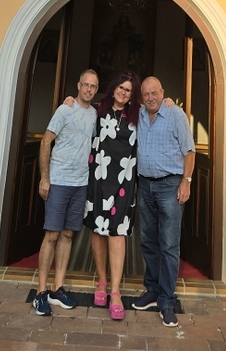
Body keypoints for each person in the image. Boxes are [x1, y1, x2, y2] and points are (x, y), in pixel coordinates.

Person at [32, 69, 100, 317]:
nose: (89, 89)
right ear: (78, 86)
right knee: (52, 234)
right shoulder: (64, 110)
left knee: (68, 234)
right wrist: (45, 178)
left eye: (93, 86)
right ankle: (40, 292)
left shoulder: (94, 114)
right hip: (59, 180)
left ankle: (57, 288)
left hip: (80, 183)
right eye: (85, 85)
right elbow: (45, 141)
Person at [131, 76, 195, 328]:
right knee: (148, 240)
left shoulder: (175, 114)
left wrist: (186, 181)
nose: (151, 98)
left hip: (170, 185)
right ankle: (153, 289)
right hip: (145, 185)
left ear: (163, 92)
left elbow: (189, 151)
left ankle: (167, 300)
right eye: (146, 94)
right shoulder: (137, 114)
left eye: (154, 93)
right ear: (142, 97)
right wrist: (74, 100)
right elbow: (111, 105)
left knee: (169, 245)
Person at [84, 70, 141, 321]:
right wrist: (70, 100)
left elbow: (158, 108)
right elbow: (79, 107)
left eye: (128, 90)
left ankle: (116, 291)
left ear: (132, 95)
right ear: (114, 87)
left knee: (117, 233)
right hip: (98, 177)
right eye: (121, 87)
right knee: (98, 229)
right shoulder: (97, 110)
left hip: (124, 181)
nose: (123, 92)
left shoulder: (138, 115)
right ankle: (102, 281)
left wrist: (169, 102)